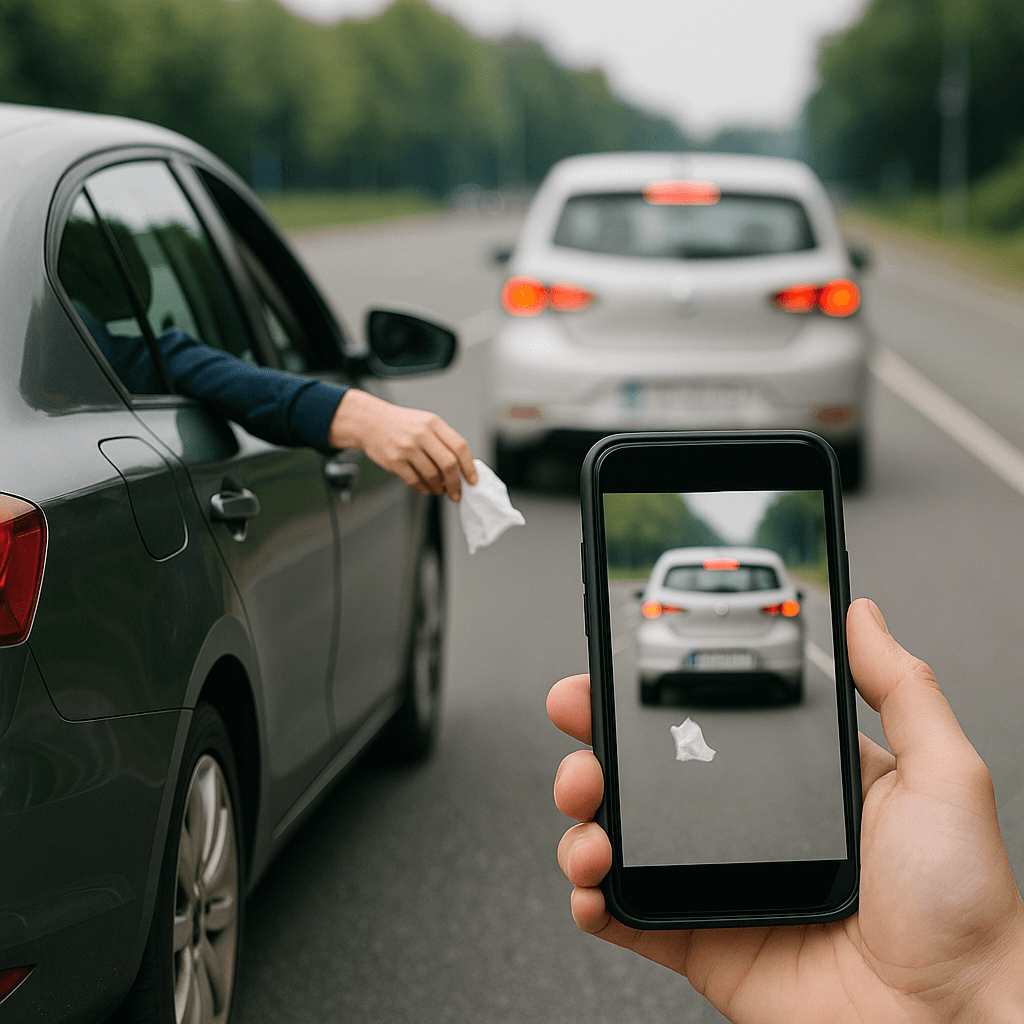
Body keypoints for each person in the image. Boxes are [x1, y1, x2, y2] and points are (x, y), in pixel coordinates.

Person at [547, 598, 1024, 1022]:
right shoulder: (774, 599)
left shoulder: (667, 601)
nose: (722, 608)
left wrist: (969, 981)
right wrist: (977, 987)